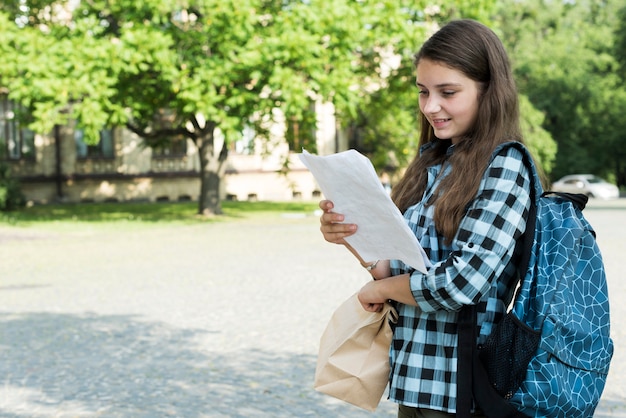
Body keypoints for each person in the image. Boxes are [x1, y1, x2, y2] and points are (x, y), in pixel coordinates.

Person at [319, 19, 536, 418]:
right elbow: (404, 270)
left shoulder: (505, 164)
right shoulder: (435, 160)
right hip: (416, 383)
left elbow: (461, 283)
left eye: (447, 92)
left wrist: (379, 293)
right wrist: (355, 237)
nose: (430, 106)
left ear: (489, 91)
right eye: (423, 92)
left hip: (464, 390)